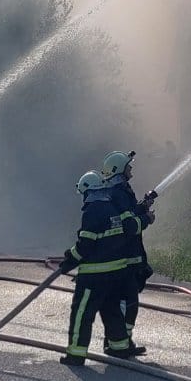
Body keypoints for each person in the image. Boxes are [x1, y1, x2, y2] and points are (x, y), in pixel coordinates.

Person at [56, 171, 144, 366]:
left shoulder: (92, 211)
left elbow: (86, 245)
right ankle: (119, 348)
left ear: (87, 191)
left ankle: (76, 354)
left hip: (93, 276)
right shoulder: (113, 208)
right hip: (116, 275)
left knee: (82, 314)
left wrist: (70, 258)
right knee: (111, 310)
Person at [99, 150, 156, 339]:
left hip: (128, 256)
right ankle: (119, 341)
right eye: (127, 165)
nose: (131, 168)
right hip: (125, 257)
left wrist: (142, 206)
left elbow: (129, 213)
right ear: (120, 170)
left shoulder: (121, 191)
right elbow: (129, 226)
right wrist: (147, 219)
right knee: (127, 302)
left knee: (129, 301)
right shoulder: (118, 193)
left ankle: (121, 341)